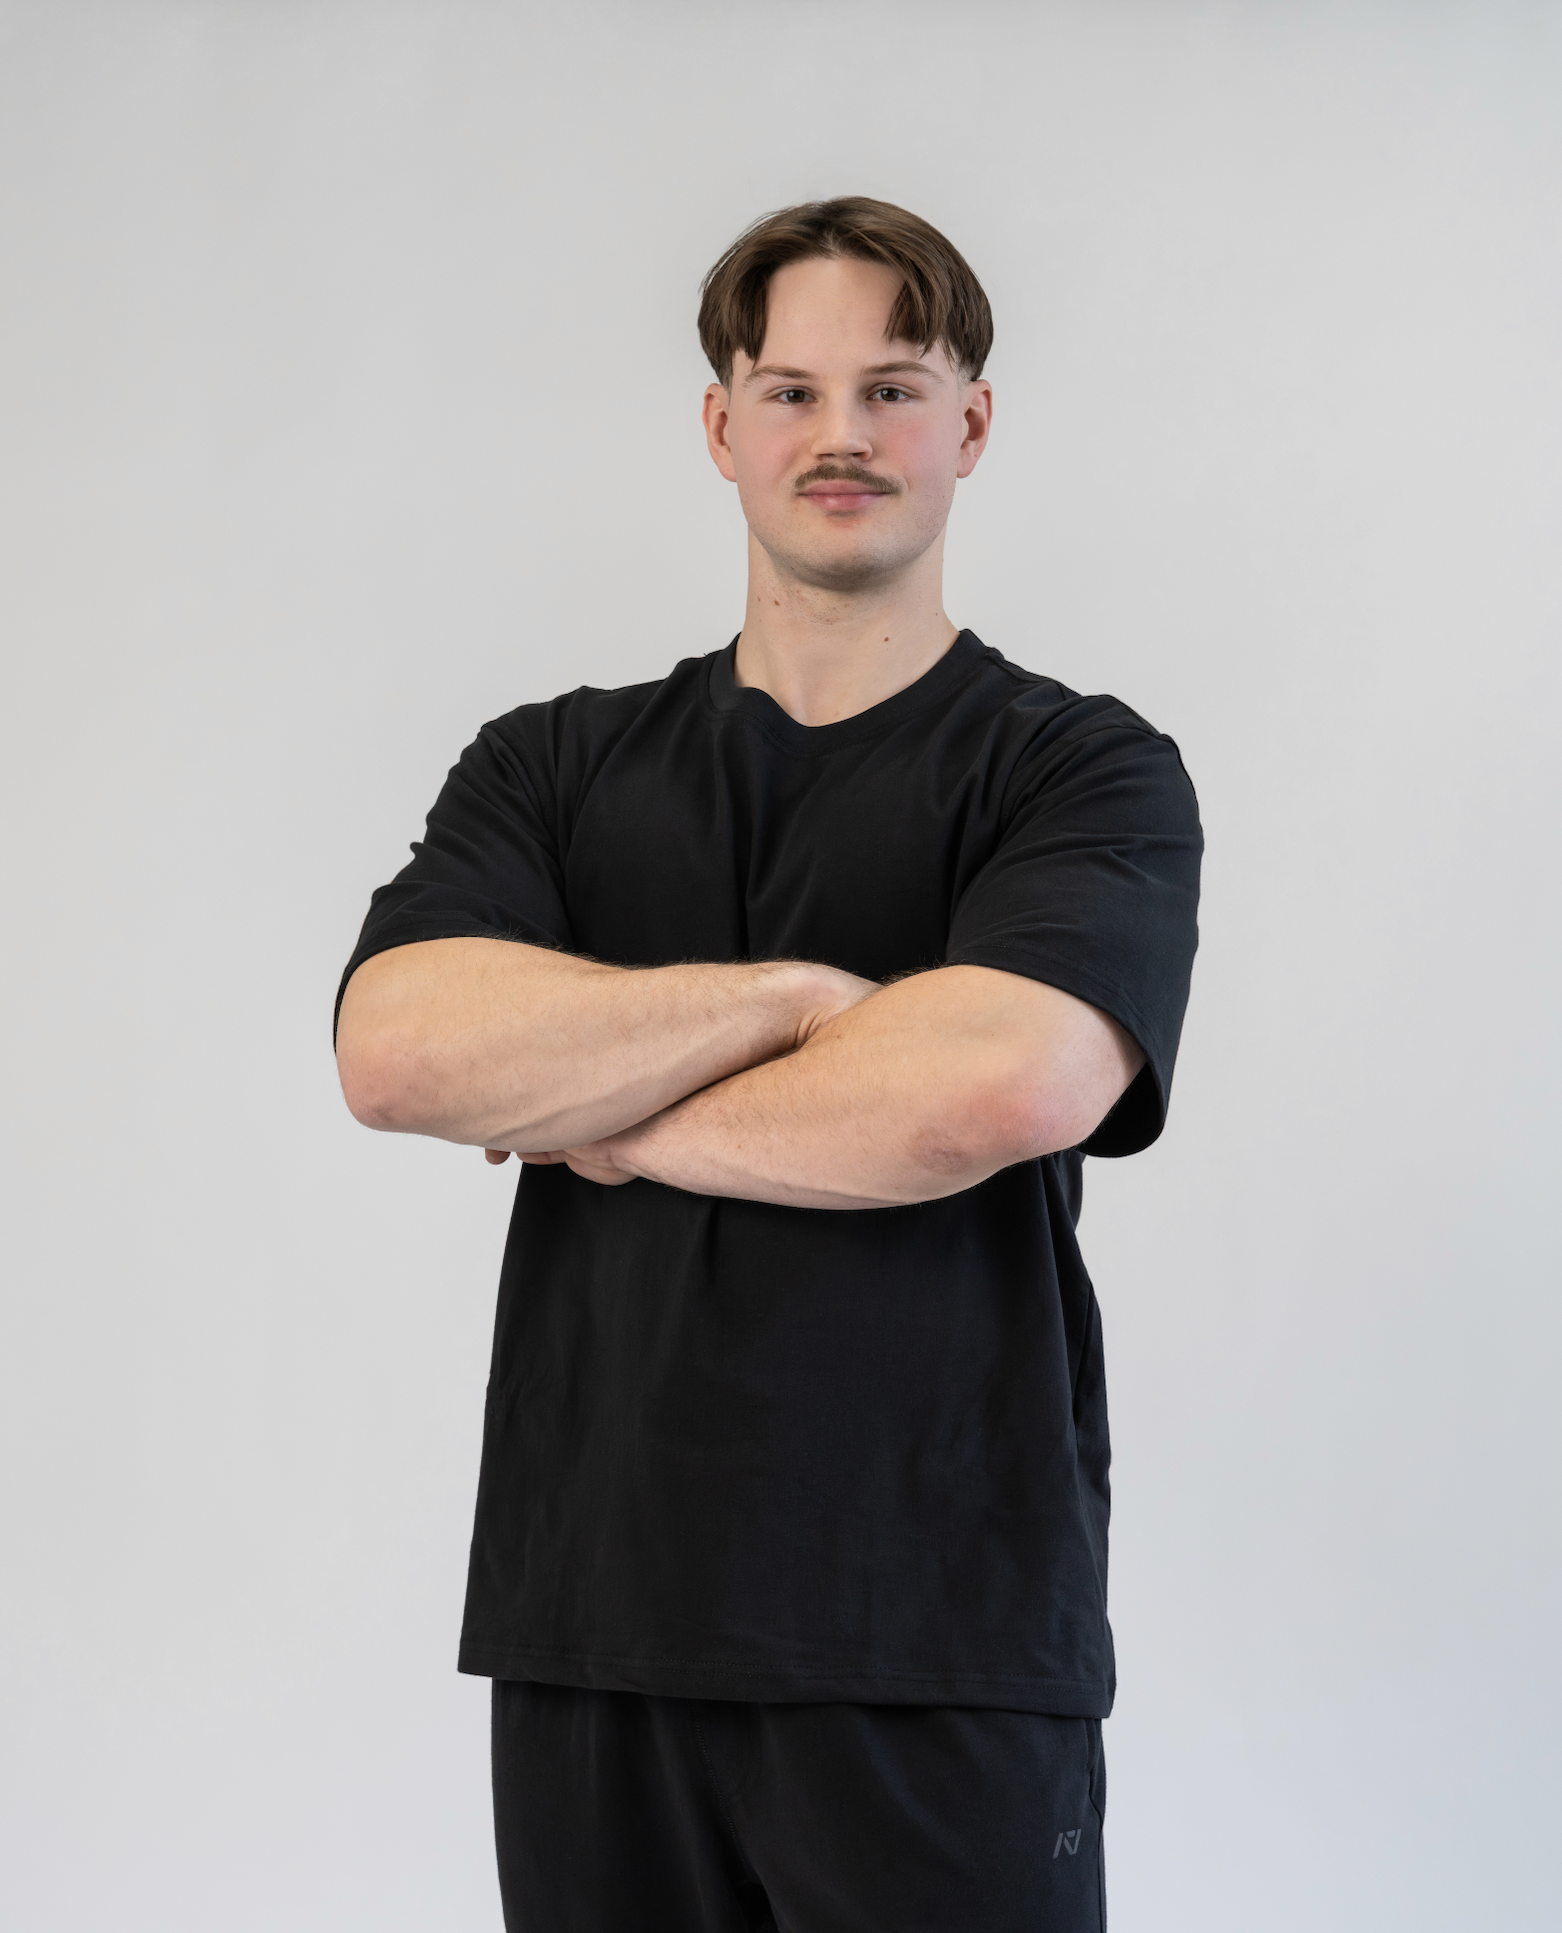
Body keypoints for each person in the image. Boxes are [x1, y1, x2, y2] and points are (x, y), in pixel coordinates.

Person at [335, 196, 1202, 1932]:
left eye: (892, 386)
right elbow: (400, 1049)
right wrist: (808, 999)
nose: (841, 436)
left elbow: (998, 1090)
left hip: (937, 1637)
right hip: (598, 1627)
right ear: (720, 426)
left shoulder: (1079, 773)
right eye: (790, 390)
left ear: (970, 424)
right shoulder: (554, 767)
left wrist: (603, 1107)